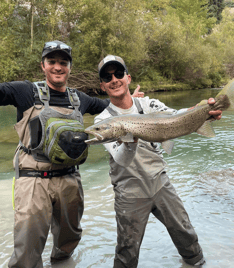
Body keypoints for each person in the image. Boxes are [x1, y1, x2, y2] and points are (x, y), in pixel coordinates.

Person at [0, 41, 143, 267]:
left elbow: (110, 107)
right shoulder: (24, 91)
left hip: (70, 180)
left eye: (63, 62)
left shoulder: (80, 98)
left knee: (68, 243)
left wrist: (130, 99)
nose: (57, 67)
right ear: (43, 66)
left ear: (70, 67)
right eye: (52, 62)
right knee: (26, 253)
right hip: (32, 181)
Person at [94, 55, 222, 267]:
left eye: (118, 74)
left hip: (160, 183)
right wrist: (130, 140)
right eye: (107, 77)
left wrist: (203, 111)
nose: (114, 79)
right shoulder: (102, 121)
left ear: (128, 78)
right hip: (129, 192)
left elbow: (176, 116)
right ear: (102, 86)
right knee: (127, 252)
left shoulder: (148, 103)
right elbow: (122, 159)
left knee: (187, 236)